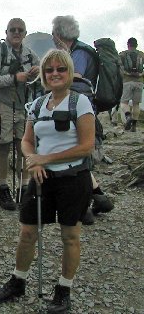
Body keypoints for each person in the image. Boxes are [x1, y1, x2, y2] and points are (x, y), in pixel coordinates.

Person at [0, 49, 95, 313]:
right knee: (27, 232)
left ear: (68, 72)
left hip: (73, 177)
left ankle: (63, 290)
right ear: (44, 75)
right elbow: (26, 141)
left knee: (70, 236)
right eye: (50, 70)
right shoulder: (37, 105)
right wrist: (33, 159)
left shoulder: (80, 103)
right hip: (42, 177)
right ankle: (18, 280)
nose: (55, 74)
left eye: (60, 69)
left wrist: (44, 160)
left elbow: (87, 146)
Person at [52, 15, 114, 223]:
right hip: (81, 106)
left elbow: (74, 76)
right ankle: (99, 197)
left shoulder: (78, 53)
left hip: (77, 107)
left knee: (76, 155)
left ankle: (85, 208)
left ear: (60, 34)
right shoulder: (82, 50)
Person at [0, 18, 40, 211]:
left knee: (23, 147)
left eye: (20, 30)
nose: (16, 33)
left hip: (23, 107)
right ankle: (3, 187)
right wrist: (13, 78)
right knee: (3, 147)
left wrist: (36, 73)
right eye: (13, 30)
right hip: (3, 105)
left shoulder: (29, 54)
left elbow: (40, 73)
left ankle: (24, 187)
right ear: (6, 32)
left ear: (25, 33)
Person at [119, 37, 143, 132]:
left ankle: (128, 116)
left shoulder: (123, 54)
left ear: (128, 44)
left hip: (127, 81)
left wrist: (126, 74)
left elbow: (119, 67)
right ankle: (134, 126)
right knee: (136, 104)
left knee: (124, 102)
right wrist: (141, 74)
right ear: (136, 45)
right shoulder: (141, 54)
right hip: (139, 82)